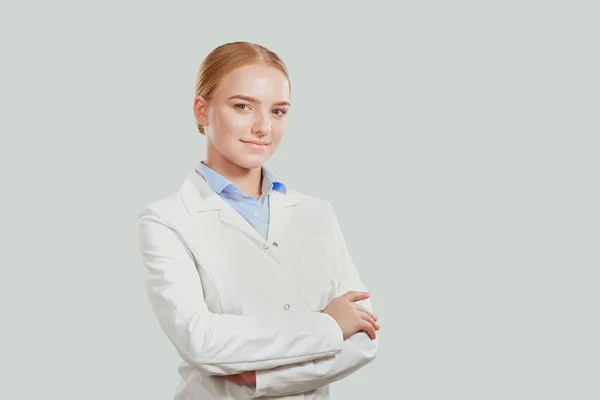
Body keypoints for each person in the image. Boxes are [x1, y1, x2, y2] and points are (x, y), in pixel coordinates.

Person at [136, 41, 379, 400]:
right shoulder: (166, 221)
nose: (263, 127)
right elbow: (202, 341)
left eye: (278, 111)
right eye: (243, 106)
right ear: (201, 110)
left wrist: (260, 378)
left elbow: (364, 339)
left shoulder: (317, 213)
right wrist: (328, 326)